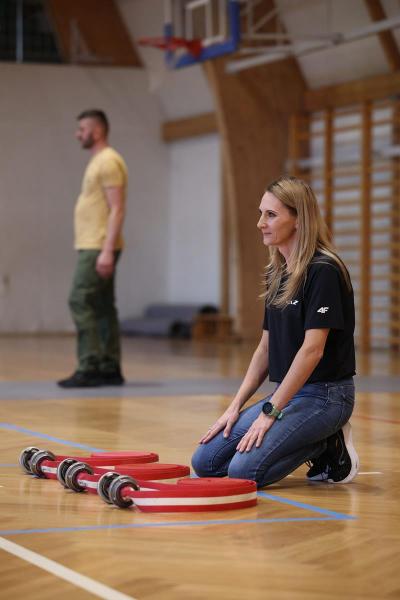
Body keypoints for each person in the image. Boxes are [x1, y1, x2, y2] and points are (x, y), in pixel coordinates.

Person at [192, 176, 359, 487]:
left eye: (271, 215)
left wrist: (270, 413)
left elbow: (313, 350)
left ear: (298, 220)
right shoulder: (277, 272)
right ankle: (314, 437)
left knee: (243, 472)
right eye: (261, 213)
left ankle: (326, 442)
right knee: (206, 461)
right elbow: (265, 349)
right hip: (290, 393)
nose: (260, 223)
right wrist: (234, 407)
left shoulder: (324, 270)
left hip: (326, 397)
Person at [58, 109, 127, 388]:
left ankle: (90, 366)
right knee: (101, 305)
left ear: (97, 131)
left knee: (80, 299)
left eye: (82, 129)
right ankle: (109, 367)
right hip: (95, 245)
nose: (78, 134)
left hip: (97, 246)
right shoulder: (99, 161)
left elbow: (117, 208)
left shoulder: (108, 161)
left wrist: (107, 250)